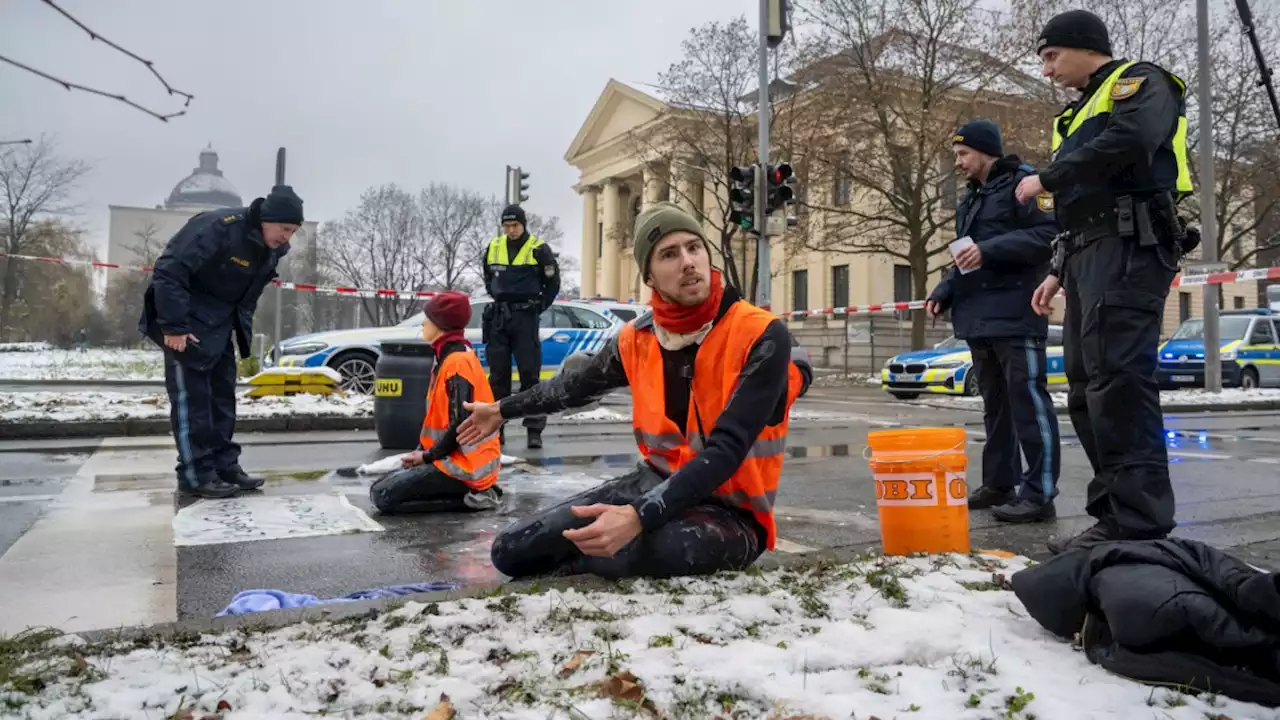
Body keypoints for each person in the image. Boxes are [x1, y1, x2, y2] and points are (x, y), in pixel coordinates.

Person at [457, 202, 812, 579]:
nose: (688, 262)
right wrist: (501, 410)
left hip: (730, 513)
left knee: (638, 551)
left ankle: (580, 569)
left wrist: (637, 517)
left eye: (695, 248)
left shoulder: (759, 333)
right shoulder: (638, 338)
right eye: (670, 255)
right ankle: (583, 561)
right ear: (650, 277)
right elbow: (573, 388)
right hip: (653, 482)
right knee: (512, 549)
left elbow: (726, 450)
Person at [1017, 10, 1195, 553]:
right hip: (1088, 252)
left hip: (1131, 246)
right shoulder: (1070, 119)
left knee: (1117, 380)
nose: (1047, 71)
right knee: (1083, 386)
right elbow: (1077, 205)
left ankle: (1138, 520)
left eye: (1051, 56)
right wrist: (1057, 268)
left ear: (1084, 46)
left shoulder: (1141, 81)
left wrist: (1045, 177)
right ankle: (1114, 512)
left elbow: (1134, 139)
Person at [927, 120, 1062, 524]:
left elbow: (1048, 238)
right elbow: (966, 255)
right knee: (996, 407)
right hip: (978, 315)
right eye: (956, 155)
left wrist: (988, 250)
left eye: (963, 154)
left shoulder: (1026, 185)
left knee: (1029, 404)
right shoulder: (971, 199)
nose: (958, 162)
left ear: (987, 152)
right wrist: (945, 289)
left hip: (1018, 313)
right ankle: (999, 483)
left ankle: (1039, 492)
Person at [139, 185, 303, 499]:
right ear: (266, 219)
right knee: (193, 402)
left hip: (220, 324)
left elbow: (246, 296)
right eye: (285, 228)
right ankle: (195, 474)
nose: (288, 238)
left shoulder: (272, 249)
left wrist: (240, 336)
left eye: (293, 231)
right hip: (184, 324)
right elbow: (170, 271)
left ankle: (225, 466)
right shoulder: (217, 227)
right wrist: (173, 327)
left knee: (223, 399)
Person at [369, 292, 505, 514]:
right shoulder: (448, 357)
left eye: (428, 318)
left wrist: (427, 457)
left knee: (383, 496)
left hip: (467, 466)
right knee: (382, 488)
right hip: (452, 459)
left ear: (441, 324)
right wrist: (423, 454)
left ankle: (478, 497)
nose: (424, 323)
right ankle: (473, 493)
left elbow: (459, 425)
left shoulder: (457, 363)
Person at [481, 204, 560, 450]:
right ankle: (497, 429)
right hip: (499, 318)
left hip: (525, 318)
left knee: (530, 376)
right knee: (497, 378)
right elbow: (488, 278)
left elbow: (553, 283)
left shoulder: (538, 249)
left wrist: (537, 307)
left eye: (515, 225)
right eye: (507, 226)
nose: (511, 230)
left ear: (524, 225)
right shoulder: (494, 247)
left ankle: (534, 430)